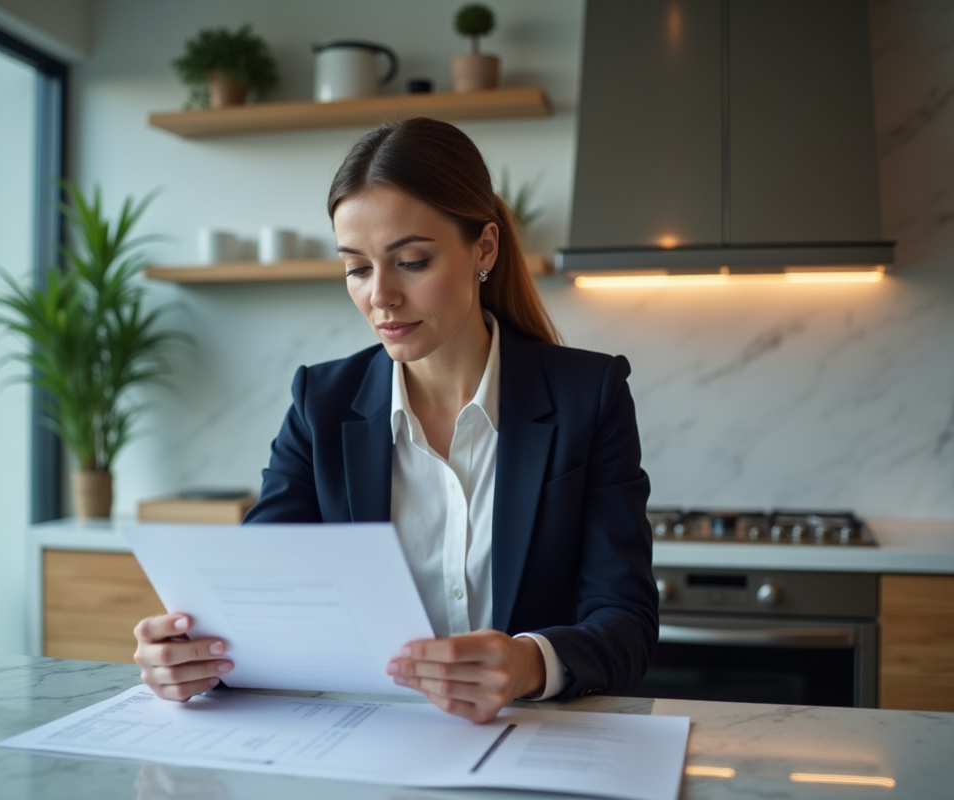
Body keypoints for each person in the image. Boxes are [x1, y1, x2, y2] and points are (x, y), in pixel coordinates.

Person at [133, 117, 658, 723]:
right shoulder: (321, 404)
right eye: (357, 268)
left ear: (484, 248)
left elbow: (627, 624)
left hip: (530, 742)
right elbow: (258, 605)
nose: (380, 295)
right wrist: (189, 656)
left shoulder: (588, 396)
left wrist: (527, 663)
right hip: (364, 743)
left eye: (411, 261)